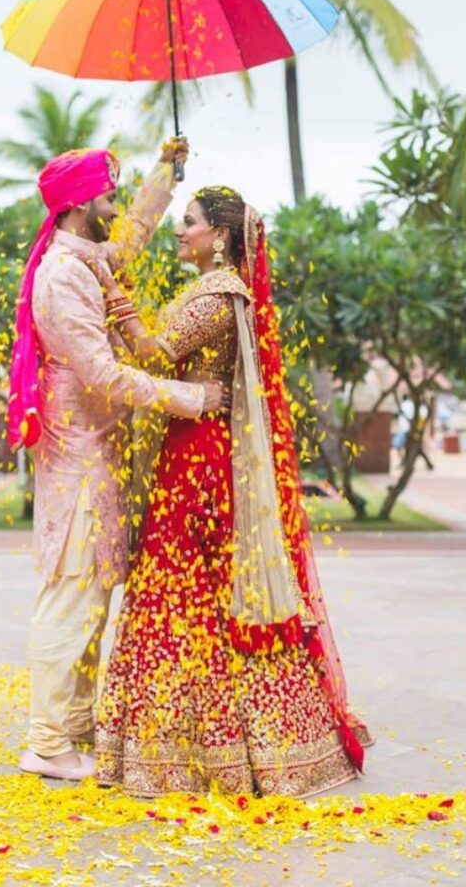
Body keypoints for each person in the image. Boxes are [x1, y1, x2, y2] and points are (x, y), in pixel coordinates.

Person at [90, 186, 373, 797]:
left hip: (201, 459)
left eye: (187, 222)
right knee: (181, 584)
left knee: (191, 585)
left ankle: (220, 749)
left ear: (220, 235)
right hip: (187, 445)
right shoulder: (206, 290)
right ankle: (176, 742)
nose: (178, 231)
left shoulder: (221, 293)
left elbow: (160, 354)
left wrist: (117, 304)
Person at [9, 141, 229, 783]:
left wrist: (167, 173)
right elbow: (102, 374)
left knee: (93, 600)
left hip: (99, 457)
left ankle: (71, 733)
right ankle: (46, 743)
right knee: (72, 599)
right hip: (77, 462)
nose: (115, 205)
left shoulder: (87, 259)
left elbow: (128, 241)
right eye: (109, 195)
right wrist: (191, 399)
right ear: (80, 205)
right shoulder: (64, 275)